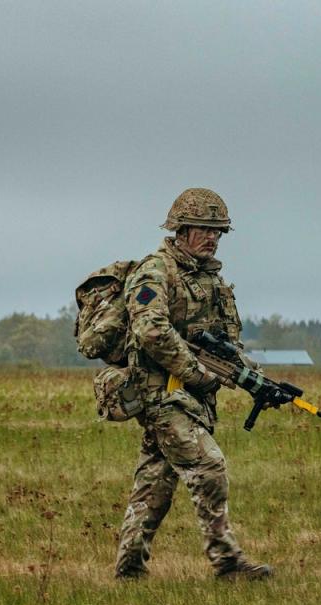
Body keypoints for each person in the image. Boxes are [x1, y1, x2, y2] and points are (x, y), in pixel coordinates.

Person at [114, 187, 272, 580]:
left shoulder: (210, 279)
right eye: (204, 228)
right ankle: (228, 563)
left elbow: (221, 341)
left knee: (155, 485)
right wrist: (196, 373)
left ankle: (129, 570)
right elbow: (151, 330)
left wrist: (254, 377)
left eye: (218, 231)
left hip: (190, 398)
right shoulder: (155, 271)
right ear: (181, 229)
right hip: (161, 396)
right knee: (209, 466)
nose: (213, 237)